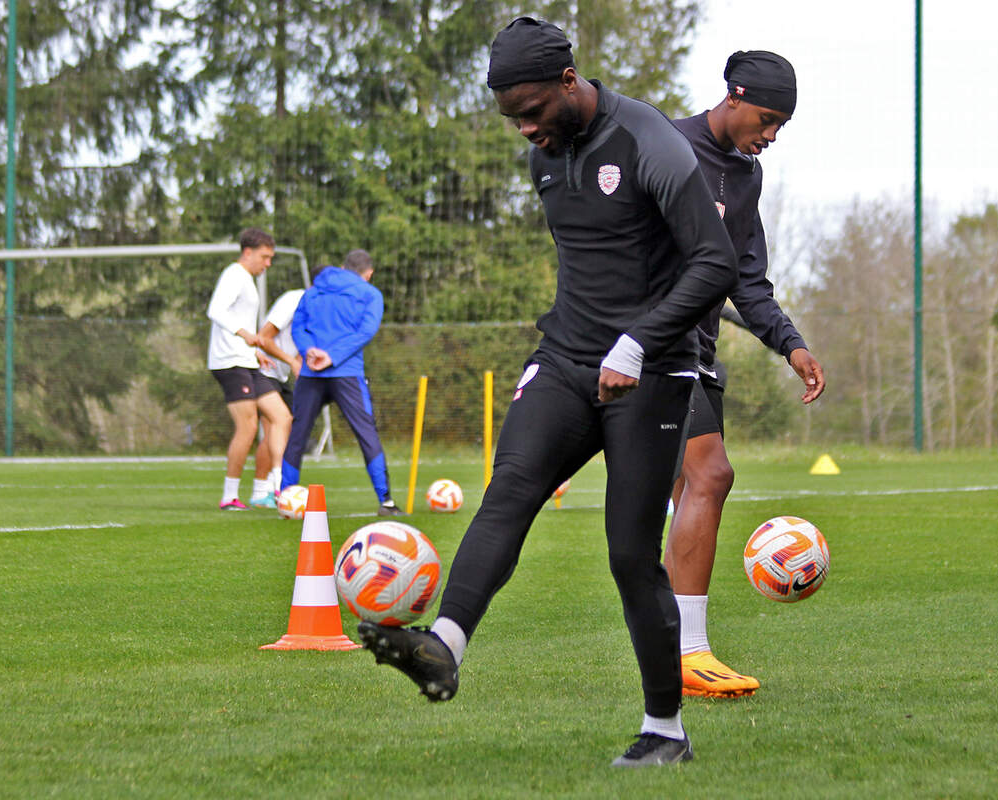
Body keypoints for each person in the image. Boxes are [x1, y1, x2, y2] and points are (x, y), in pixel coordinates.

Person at [357, 17, 739, 768]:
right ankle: (444, 647)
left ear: (570, 83)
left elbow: (714, 263)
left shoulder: (647, 141)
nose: (526, 128)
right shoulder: (544, 156)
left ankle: (666, 730)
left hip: (653, 370)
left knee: (631, 555)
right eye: (512, 118)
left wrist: (638, 341)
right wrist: (582, 343)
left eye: (533, 111)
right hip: (567, 358)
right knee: (510, 488)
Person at [666, 51, 826, 697]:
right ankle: (689, 651)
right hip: (651, 347)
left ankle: (674, 645)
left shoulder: (746, 177)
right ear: (733, 96)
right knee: (711, 474)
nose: (772, 134)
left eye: (783, 124)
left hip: (698, 353)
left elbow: (747, 280)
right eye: (767, 118)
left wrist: (792, 346)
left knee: (684, 490)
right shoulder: (665, 146)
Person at [278, 250, 403, 516]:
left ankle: (286, 498)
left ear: (342, 267)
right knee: (366, 434)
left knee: (298, 434)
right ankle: (386, 502)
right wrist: (332, 356)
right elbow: (366, 332)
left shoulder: (311, 292)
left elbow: (297, 327)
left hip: (311, 373)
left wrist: (309, 350)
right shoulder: (371, 294)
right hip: (346, 372)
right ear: (368, 273)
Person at [206, 227, 293, 510]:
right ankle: (229, 495)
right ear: (248, 252)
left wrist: (254, 351)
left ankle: (273, 487)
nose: (268, 264)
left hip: (246, 360)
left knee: (282, 417)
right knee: (248, 426)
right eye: (265, 257)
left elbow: (236, 318)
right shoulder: (234, 274)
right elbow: (216, 310)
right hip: (229, 363)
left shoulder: (247, 280)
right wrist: (245, 335)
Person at [247, 277, 310, 507]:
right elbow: (263, 338)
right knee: (279, 422)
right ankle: (278, 488)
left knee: (280, 429)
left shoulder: (318, 308)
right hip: (264, 370)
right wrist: (291, 361)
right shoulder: (293, 299)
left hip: (280, 374)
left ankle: (259, 492)